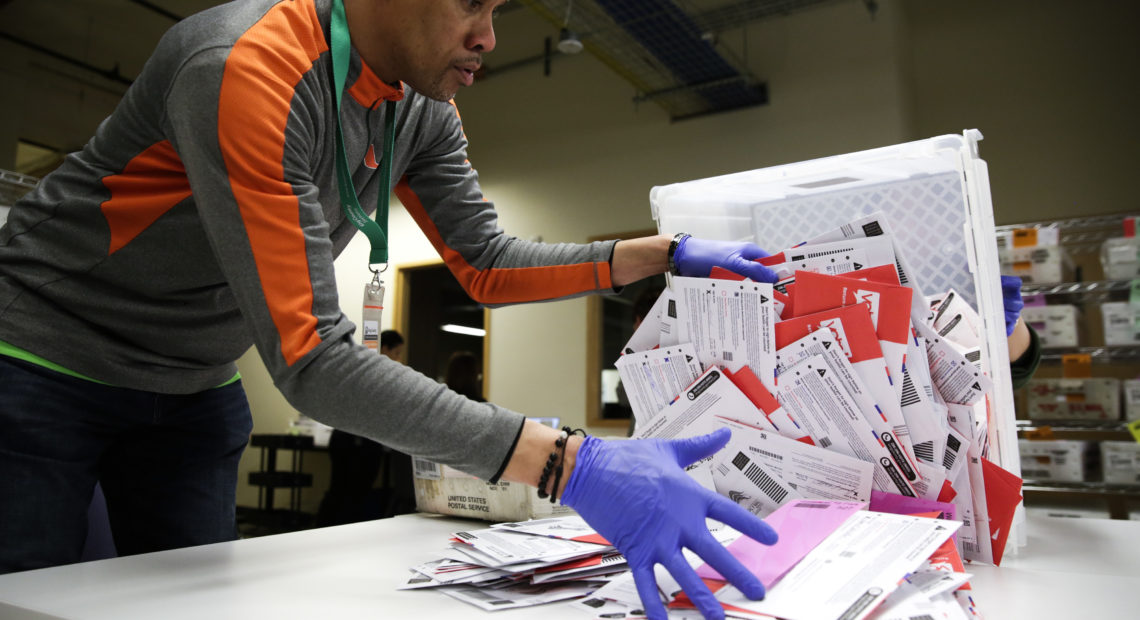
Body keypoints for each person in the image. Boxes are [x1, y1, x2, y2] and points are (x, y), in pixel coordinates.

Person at [0, 1, 781, 617]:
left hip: (193, 381)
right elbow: (312, 360)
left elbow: (485, 263)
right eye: (471, 3)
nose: (489, 37)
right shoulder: (244, 64)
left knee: (188, 603)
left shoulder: (421, 109)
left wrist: (653, 256)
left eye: (500, 9)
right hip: (42, 349)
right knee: (28, 598)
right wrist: (568, 462)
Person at [316, 329, 414, 526]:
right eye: (396, 353)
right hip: (358, 441)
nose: (398, 359)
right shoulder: (377, 372)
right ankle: (337, 533)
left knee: (341, 489)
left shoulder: (359, 365)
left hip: (346, 438)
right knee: (352, 492)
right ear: (384, 348)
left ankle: (326, 531)